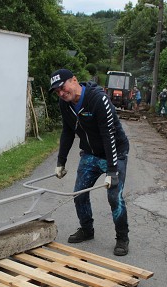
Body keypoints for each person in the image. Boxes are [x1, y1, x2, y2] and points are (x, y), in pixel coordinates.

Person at [49, 68, 130, 256]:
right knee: (79, 193)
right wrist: (61, 161)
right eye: (57, 91)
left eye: (63, 87)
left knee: (113, 196)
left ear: (74, 80)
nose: (61, 93)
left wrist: (112, 170)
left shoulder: (97, 99)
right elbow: (68, 132)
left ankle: (122, 238)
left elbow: (108, 134)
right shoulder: (65, 104)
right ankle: (87, 229)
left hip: (115, 152)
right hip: (90, 154)